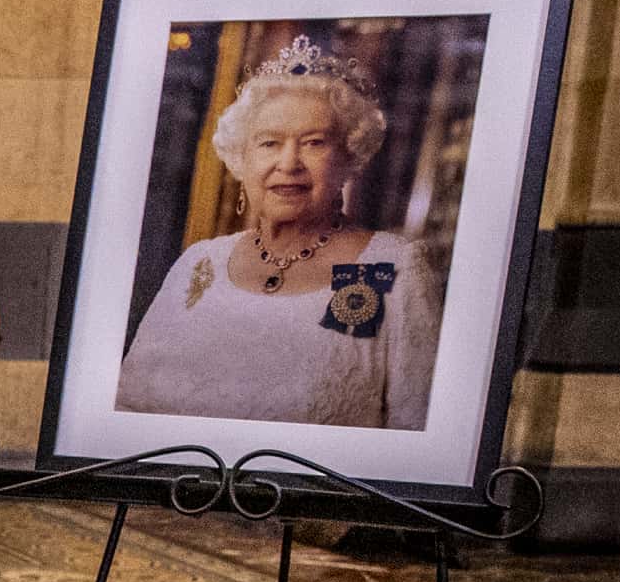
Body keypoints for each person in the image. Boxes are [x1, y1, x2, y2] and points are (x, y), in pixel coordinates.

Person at [115, 34, 443, 431]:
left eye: (314, 143)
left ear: (349, 157)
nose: (289, 163)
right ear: (242, 158)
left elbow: (416, 434)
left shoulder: (391, 268)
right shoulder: (200, 262)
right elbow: (129, 406)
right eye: (269, 143)